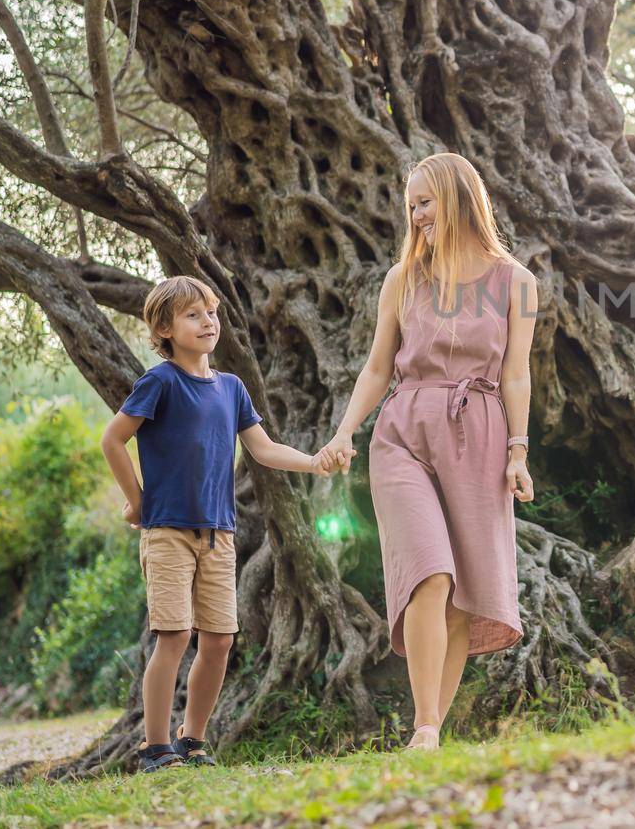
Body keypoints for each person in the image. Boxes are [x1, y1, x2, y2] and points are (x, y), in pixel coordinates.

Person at [321, 152, 538, 751]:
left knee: (464, 589)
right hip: (402, 433)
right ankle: (423, 726)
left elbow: (516, 375)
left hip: (481, 433)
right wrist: (344, 432)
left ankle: (431, 733)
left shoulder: (517, 282)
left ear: (460, 198)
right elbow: (374, 368)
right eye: (410, 206)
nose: (415, 217)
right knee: (430, 574)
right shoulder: (403, 279)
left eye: (425, 202)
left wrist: (518, 452)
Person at [100, 276, 331, 772]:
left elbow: (263, 449)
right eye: (193, 315)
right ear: (164, 327)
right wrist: (137, 502)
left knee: (220, 640)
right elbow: (112, 440)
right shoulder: (160, 382)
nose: (208, 322)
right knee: (174, 635)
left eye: (212, 313)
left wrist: (313, 462)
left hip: (218, 535)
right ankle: (155, 747)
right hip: (168, 534)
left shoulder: (230, 387)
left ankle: (193, 741)